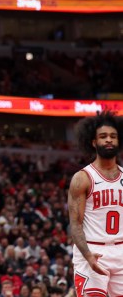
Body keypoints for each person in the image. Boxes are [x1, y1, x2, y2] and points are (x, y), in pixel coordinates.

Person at [68, 111, 123, 297]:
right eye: (103, 136)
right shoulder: (82, 178)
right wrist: (87, 254)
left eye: (113, 137)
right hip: (92, 249)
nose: (109, 140)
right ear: (93, 142)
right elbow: (75, 224)